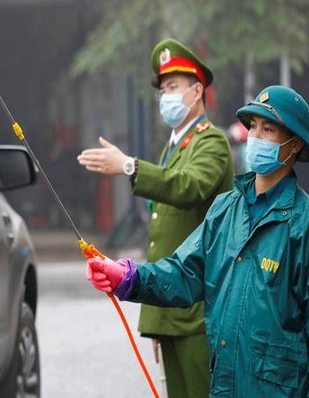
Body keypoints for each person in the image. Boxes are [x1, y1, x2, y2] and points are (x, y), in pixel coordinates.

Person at [86, 85, 309, 397]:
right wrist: (129, 277)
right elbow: (184, 273)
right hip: (224, 386)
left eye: (268, 129)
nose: (255, 137)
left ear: (293, 146)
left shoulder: (308, 227)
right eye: (253, 127)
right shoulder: (225, 209)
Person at [78, 38, 234, 397]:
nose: (166, 96)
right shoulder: (174, 146)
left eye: (174, 88)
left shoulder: (211, 143)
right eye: (162, 89)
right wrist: (158, 320)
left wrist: (130, 166)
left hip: (198, 310)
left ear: (197, 91)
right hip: (170, 308)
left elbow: (188, 186)